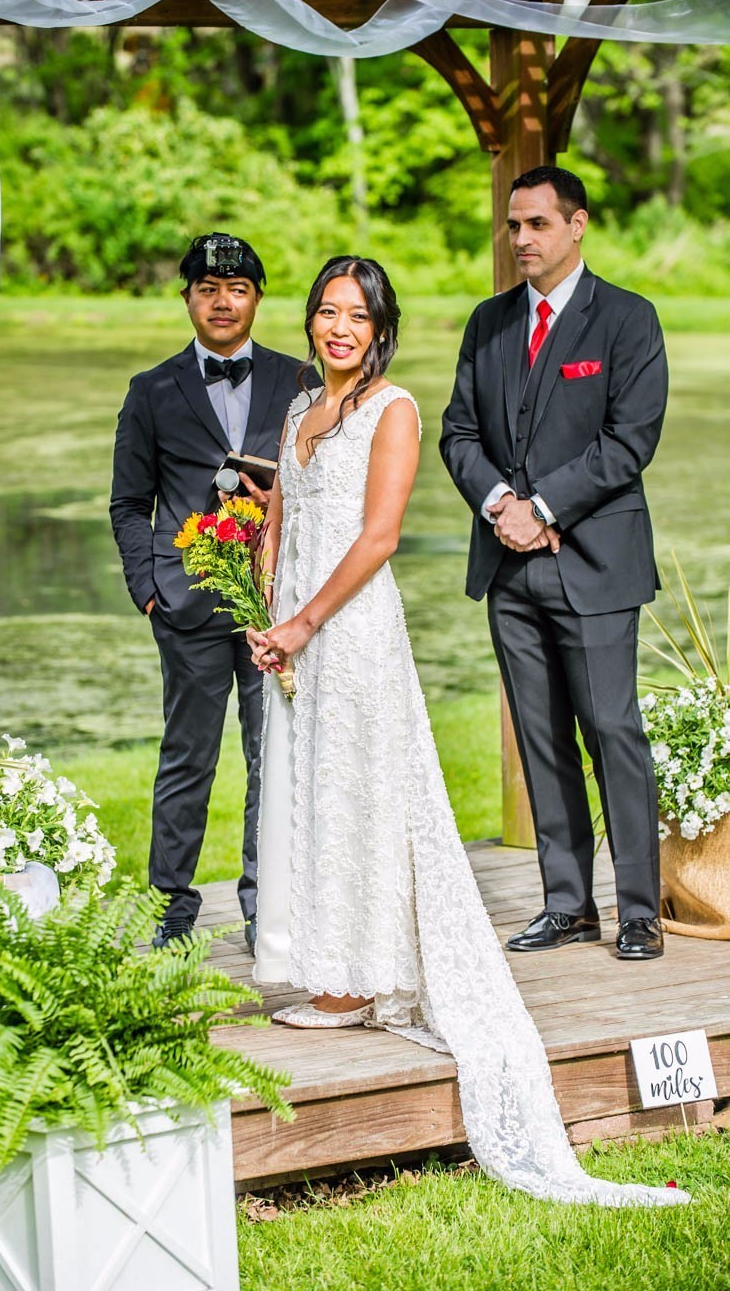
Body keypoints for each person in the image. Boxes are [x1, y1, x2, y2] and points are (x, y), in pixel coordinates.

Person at [245, 254, 687, 1207]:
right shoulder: (298, 410)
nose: (338, 328)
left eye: (356, 316)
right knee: (319, 790)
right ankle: (341, 968)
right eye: (326, 312)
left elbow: (378, 537)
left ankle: (616, 914)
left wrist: (306, 620)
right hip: (297, 625)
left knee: (380, 788)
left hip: (351, 627)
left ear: (380, 328)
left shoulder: (391, 409)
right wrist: (262, 601)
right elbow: (282, 513)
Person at [442, 166, 667, 962]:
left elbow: (629, 442)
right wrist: (501, 503)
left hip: (595, 564)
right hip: (509, 569)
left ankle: (638, 910)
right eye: (514, 225)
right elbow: (458, 433)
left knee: (612, 731)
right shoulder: (489, 322)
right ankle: (568, 904)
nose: (522, 239)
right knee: (541, 739)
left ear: (577, 225)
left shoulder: (628, 319)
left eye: (537, 223)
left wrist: (541, 509)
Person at [110, 233, 315, 951]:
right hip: (187, 604)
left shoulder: (302, 382)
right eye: (207, 289)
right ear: (188, 298)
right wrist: (148, 587)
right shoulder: (152, 390)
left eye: (237, 289)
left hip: (274, 605)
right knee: (187, 757)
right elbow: (128, 504)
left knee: (273, 756)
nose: (222, 301)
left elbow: (323, 487)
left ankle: (268, 906)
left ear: (257, 298)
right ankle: (171, 904)